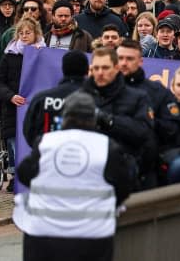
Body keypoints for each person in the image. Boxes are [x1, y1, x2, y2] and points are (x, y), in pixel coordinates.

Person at [14, 91, 134, 261]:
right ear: (94, 117)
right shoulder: (107, 146)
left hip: (43, 235)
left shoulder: (46, 142)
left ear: (65, 116)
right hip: (93, 235)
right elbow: (124, 185)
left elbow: (24, 174)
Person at [81, 48, 156, 190]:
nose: (100, 73)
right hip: (86, 162)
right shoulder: (80, 96)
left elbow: (143, 132)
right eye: (96, 68)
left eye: (105, 68)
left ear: (116, 68)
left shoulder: (137, 97)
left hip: (123, 163)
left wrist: (110, 121)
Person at [0, 16, 46, 191]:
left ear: (36, 34)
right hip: (13, 109)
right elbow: (0, 81)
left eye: (28, 32)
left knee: (34, 145)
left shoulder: (44, 55)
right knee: (14, 146)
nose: (24, 36)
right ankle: (20, 182)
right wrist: (11, 96)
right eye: (21, 33)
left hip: (36, 109)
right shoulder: (9, 55)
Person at [23, 50, 89, 144]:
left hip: (47, 154)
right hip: (85, 154)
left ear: (63, 69)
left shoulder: (41, 98)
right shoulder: (94, 98)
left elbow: (29, 132)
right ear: (87, 70)